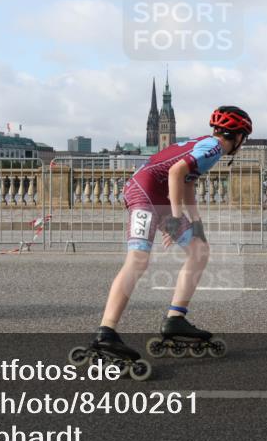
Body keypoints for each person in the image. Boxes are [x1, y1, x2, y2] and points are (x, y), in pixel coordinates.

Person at [89, 105, 253, 359]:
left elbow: (186, 181)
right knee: (138, 260)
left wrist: (196, 223)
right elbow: (177, 172)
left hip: (161, 195)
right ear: (239, 136)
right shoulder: (214, 148)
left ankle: (176, 319)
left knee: (199, 251)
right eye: (244, 138)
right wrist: (177, 218)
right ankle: (105, 333)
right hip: (143, 193)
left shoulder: (207, 145)